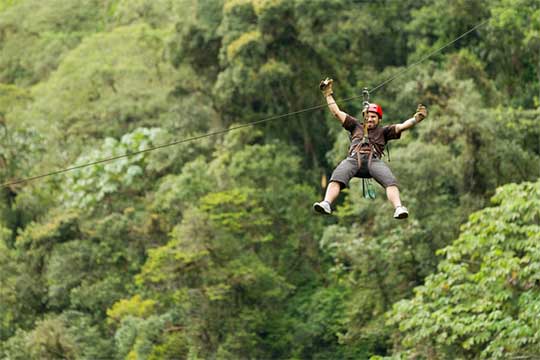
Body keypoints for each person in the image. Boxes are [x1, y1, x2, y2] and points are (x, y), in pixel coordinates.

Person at [313, 78, 427, 219]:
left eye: (373, 117)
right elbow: (337, 112)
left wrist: (416, 119)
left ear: (379, 119)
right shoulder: (355, 126)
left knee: (390, 181)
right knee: (336, 177)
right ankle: (326, 203)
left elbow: (402, 126)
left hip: (373, 161)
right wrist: (328, 94)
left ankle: (398, 207)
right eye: (368, 116)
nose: (370, 119)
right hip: (354, 159)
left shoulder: (384, 131)